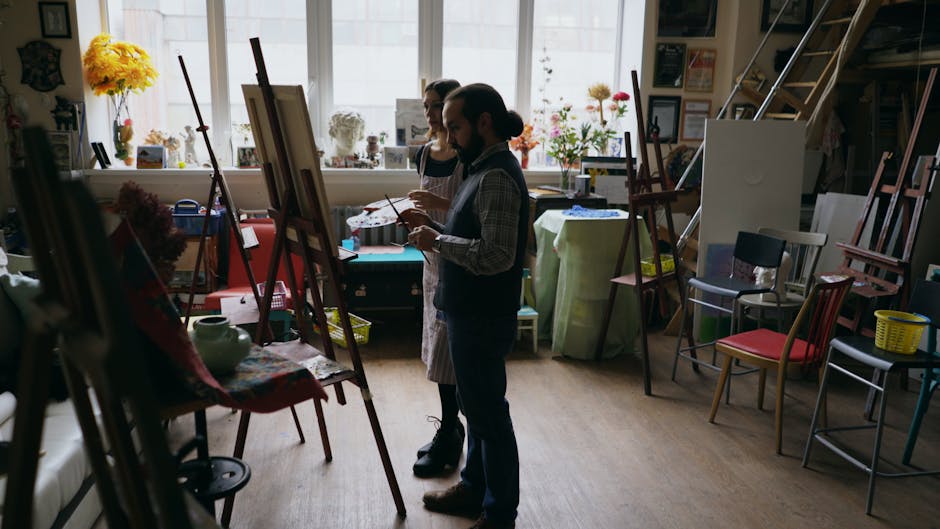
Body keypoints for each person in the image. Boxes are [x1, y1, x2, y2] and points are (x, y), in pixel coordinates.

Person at [403, 83, 527, 529]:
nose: (450, 137)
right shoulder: (480, 168)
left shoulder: (495, 176)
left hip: (482, 316)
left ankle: (499, 515)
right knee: (476, 409)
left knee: (489, 416)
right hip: (468, 311)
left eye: (455, 127)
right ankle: (474, 489)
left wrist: (437, 241)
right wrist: (433, 228)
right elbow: (472, 236)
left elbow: (497, 256)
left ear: (484, 123)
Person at [407, 78, 467, 478]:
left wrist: (437, 203)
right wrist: (416, 216)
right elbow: (429, 212)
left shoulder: (467, 155)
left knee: (450, 355)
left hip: (459, 263)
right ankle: (450, 426)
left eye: (436, 106)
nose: (430, 113)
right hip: (432, 262)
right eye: (426, 106)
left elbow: (470, 210)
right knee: (436, 351)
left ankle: (452, 432)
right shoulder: (424, 154)